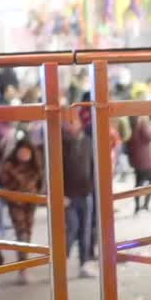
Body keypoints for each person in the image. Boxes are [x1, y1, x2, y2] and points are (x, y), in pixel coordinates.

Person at [0, 138, 44, 282]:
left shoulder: (36, 166)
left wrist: (37, 195)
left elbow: (40, 182)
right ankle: (23, 268)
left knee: (28, 232)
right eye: (21, 151)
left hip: (31, 203)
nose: (24, 154)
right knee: (21, 233)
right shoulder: (8, 166)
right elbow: (2, 181)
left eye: (27, 152)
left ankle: (24, 266)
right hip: (15, 203)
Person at [62, 112, 96, 278]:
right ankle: (63, 261)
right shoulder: (62, 143)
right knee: (72, 229)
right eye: (68, 122)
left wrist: (93, 188)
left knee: (85, 230)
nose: (70, 125)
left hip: (86, 193)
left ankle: (84, 264)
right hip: (68, 196)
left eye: (72, 122)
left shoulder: (89, 142)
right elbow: (57, 171)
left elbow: (93, 167)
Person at [128, 117, 151, 213]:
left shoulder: (133, 124)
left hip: (137, 160)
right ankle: (145, 205)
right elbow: (149, 136)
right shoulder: (142, 122)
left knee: (138, 184)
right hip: (146, 161)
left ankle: (137, 206)